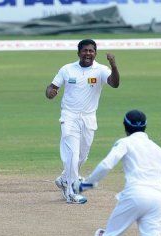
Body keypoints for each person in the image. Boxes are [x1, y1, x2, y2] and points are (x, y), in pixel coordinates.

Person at [45, 39, 120, 204]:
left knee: (82, 156)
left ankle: (65, 178)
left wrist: (113, 65)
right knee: (72, 154)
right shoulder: (67, 69)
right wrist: (51, 92)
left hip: (89, 117)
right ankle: (71, 192)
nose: (88, 54)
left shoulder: (100, 70)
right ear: (78, 53)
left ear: (95, 53)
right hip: (69, 116)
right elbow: (52, 87)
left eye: (91, 51)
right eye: (85, 51)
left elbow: (114, 84)